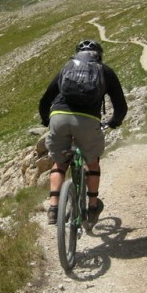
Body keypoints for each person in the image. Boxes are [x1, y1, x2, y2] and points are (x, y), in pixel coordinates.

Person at [38, 39, 127, 226]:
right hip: (88, 121)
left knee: (59, 163)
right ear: (99, 55)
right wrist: (114, 122)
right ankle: (93, 206)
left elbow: (46, 99)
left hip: (59, 117)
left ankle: (54, 208)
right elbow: (121, 105)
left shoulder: (67, 67)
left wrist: (47, 120)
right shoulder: (104, 71)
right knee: (92, 162)